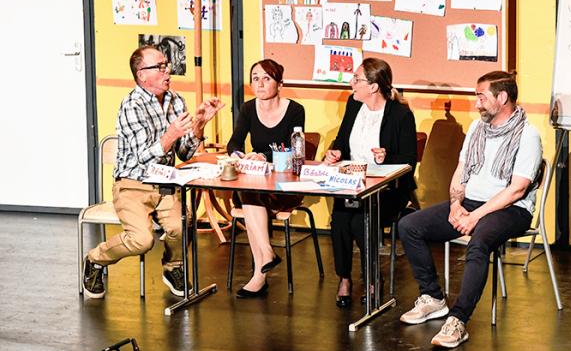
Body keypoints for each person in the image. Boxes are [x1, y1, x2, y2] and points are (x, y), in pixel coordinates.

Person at [397, 71, 542, 348]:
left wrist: (475, 216)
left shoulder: (527, 135)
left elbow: (517, 190)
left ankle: (458, 320)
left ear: (502, 97)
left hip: (510, 209)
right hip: (470, 204)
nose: (477, 104)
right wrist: (455, 204)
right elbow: (461, 170)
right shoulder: (477, 129)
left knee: (479, 242)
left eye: (481, 97)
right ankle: (433, 298)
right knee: (410, 225)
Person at [82, 46, 224, 299]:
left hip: (165, 183)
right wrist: (169, 136)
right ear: (142, 75)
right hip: (132, 183)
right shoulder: (131, 105)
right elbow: (141, 158)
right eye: (159, 66)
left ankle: (173, 267)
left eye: (166, 64)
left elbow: (185, 153)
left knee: (183, 223)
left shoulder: (175, 100)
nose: (167, 70)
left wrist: (200, 125)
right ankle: (95, 258)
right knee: (142, 240)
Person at [324, 58, 417, 308]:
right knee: (341, 219)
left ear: (374, 86)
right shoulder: (354, 107)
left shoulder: (400, 115)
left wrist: (387, 158)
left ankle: (372, 279)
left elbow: (409, 162)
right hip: (353, 184)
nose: (352, 84)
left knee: (361, 221)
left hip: (388, 189)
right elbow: (343, 141)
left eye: (357, 79)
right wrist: (335, 151)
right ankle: (344, 278)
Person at [226, 59, 305, 298]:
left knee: (250, 195)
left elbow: (296, 150)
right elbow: (235, 142)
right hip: (256, 182)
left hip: (284, 184)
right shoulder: (249, 109)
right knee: (249, 192)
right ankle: (264, 262)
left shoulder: (295, 110)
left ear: (280, 83)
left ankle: (262, 270)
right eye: (255, 78)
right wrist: (240, 156)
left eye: (266, 78)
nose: (259, 84)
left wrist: (265, 156)